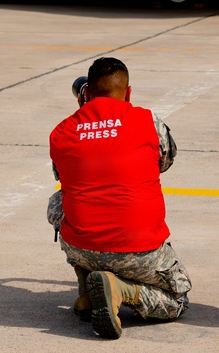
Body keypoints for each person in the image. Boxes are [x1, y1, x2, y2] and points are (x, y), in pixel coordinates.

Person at [47, 57, 191, 339]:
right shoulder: (149, 121)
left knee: (59, 199)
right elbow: (164, 162)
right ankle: (121, 290)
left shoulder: (61, 131)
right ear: (128, 93)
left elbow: (63, 174)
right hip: (140, 250)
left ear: (86, 94)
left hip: (82, 246)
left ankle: (88, 287)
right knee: (176, 300)